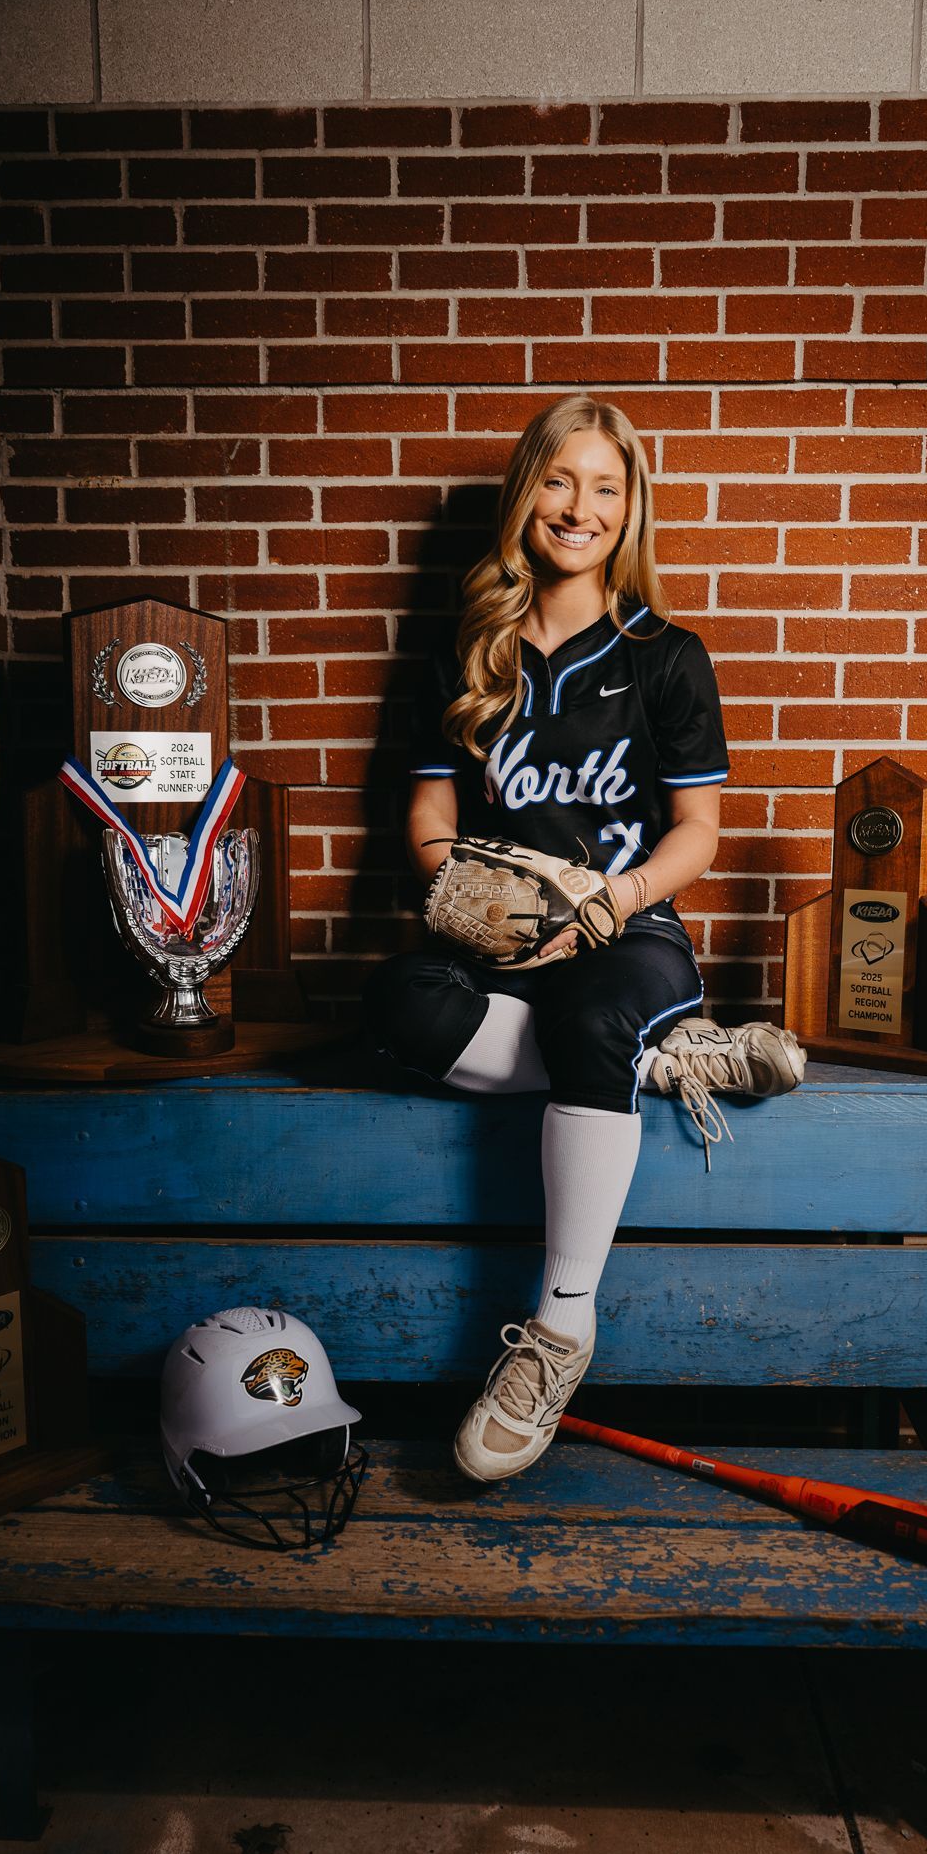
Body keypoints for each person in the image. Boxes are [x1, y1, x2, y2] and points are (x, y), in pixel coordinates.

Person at [363, 394, 805, 1484]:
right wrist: (473, 893)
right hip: (495, 934)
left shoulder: (665, 654)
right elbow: (424, 818)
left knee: (586, 1013)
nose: (580, 506)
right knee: (394, 1008)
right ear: (527, 494)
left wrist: (605, 902)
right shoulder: (467, 647)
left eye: (606, 486)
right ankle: (663, 1064)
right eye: (560, 480)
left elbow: (697, 830)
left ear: (630, 506)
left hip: (626, 929)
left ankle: (561, 1327)